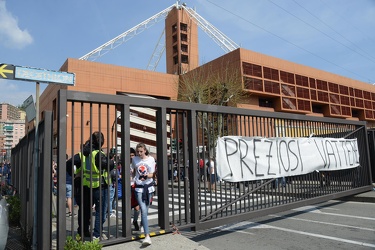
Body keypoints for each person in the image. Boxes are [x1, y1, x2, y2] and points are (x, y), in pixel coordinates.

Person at [66, 131, 114, 240]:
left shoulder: (82, 153)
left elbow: (69, 163)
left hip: (85, 186)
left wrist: (74, 175)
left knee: (85, 210)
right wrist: (112, 163)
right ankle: (97, 234)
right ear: (101, 142)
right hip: (100, 186)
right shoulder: (98, 154)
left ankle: (83, 231)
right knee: (100, 211)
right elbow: (108, 165)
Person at [132, 143, 155, 246]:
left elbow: (152, 174)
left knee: (146, 209)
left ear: (145, 150)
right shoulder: (135, 160)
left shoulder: (151, 160)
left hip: (148, 188)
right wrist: (132, 180)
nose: (139, 153)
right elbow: (134, 171)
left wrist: (147, 175)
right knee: (143, 210)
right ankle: (147, 236)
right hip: (138, 188)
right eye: (138, 152)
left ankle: (143, 224)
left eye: (141, 151)